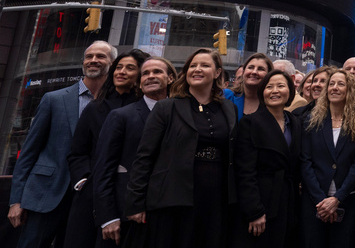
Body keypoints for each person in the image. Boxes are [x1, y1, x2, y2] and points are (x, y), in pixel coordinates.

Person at [124, 48, 237, 248]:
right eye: (192, 66)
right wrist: (136, 203)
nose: (197, 69)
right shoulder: (167, 107)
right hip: (173, 197)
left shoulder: (228, 108)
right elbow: (144, 157)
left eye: (204, 65)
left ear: (218, 72)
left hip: (215, 199)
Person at [8, 41, 114, 248]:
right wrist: (16, 200)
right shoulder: (53, 99)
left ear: (112, 63)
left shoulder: (114, 106)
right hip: (45, 195)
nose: (93, 60)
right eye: (89, 56)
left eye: (101, 56)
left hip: (86, 199)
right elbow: (29, 152)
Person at [65, 49, 147, 248]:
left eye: (130, 68)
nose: (121, 72)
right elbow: (77, 152)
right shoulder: (95, 107)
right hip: (92, 192)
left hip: (127, 194)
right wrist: (83, 181)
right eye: (118, 67)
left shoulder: (146, 108)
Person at [93, 57, 176, 248]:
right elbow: (103, 169)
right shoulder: (121, 116)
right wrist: (108, 217)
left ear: (170, 78)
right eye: (145, 73)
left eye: (157, 72)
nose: (150, 76)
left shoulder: (182, 115)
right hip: (123, 219)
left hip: (166, 217)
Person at [301, 70, 355, 248]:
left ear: (350, 90)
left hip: (348, 201)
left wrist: (337, 199)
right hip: (314, 202)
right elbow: (306, 162)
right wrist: (321, 200)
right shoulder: (312, 121)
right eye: (331, 84)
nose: (334, 88)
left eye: (340, 84)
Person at [234, 69, 302, 248]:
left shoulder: (295, 122)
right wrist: (254, 211)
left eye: (281, 86)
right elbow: (244, 171)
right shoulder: (250, 123)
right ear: (262, 92)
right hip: (262, 200)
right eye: (269, 87)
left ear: (290, 91)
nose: (275, 91)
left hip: (287, 200)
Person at [228, 53, 274, 120]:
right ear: (243, 72)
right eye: (250, 67)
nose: (254, 72)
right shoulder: (227, 96)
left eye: (260, 69)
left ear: (269, 75)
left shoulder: (272, 104)